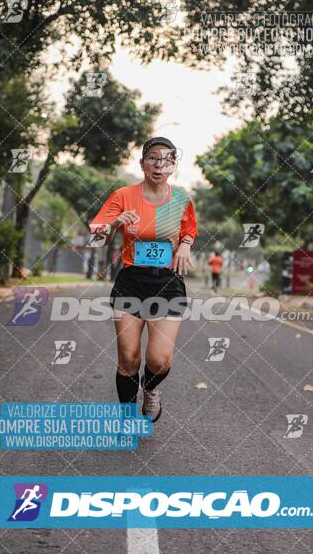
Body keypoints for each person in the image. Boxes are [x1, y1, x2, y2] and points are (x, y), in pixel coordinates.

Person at [89, 137, 198, 422]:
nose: (158, 164)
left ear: (173, 165)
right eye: (152, 157)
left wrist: (185, 245)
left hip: (167, 283)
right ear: (142, 163)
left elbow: (189, 230)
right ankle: (127, 415)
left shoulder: (181, 199)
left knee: (158, 359)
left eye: (166, 159)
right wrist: (114, 223)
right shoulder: (123, 195)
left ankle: (150, 389)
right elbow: (97, 237)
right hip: (131, 283)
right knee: (129, 358)